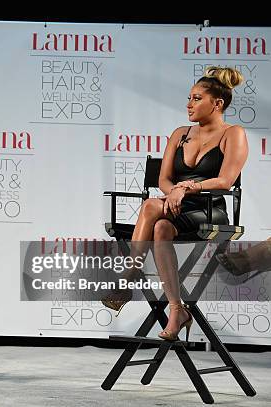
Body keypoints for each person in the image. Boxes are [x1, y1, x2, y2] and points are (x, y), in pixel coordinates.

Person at [102, 66, 248, 341]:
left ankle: (128, 279)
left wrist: (188, 188)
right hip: (176, 206)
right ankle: (177, 309)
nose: (188, 104)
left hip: (209, 210)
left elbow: (226, 181)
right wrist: (173, 193)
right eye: (189, 98)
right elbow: (164, 179)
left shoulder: (233, 134)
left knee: (149, 208)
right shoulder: (180, 133)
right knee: (160, 229)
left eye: (196, 98)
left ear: (217, 104)